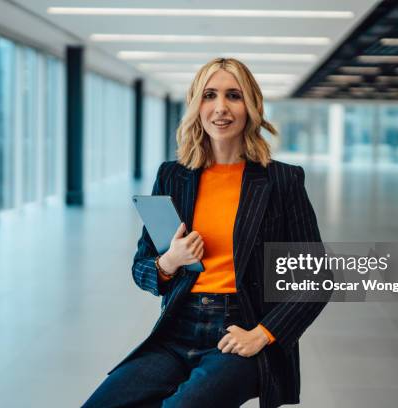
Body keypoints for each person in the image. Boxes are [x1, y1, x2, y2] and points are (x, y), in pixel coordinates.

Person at [82, 57, 330, 408]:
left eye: (234, 95)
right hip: (177, 328)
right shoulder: (172, 176)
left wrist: (262, 335)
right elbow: (141, 268)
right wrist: (169, 261)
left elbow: (317, 279)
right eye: (209, 95)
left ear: (252, 106)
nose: (220, 108)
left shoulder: (282, 180)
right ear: (196, 105)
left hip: (238, 329)